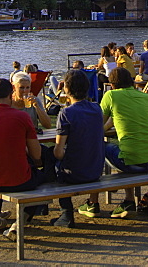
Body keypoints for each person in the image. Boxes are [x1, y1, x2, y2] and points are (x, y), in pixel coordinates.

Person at [80, 67, 148, 219]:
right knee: (125, 150)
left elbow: (97, 125)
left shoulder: (111, 96)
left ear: (112, 84)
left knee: (99, 146)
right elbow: (117, 119)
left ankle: (93, 203)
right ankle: (128, 201)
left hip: (134, 163)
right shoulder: (145, 97)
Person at [0, 78, 46, 237]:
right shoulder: (22, 117)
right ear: (11, 94)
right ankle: (18, 225)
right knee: (45, 178)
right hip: (20, 180)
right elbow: (37, 154)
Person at [49, 69, 105, 228]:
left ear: (66, 89)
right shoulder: (96, 109)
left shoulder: (66, 113)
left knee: (51, 161)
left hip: (75, 173)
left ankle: (65, 212)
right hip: (95, 170)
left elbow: (59, 152)